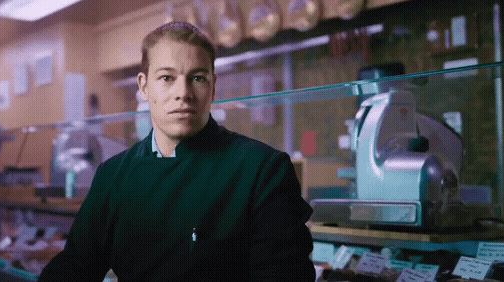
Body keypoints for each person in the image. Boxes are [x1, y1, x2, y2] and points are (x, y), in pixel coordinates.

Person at [39, 21, 315, 281]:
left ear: (213, 87)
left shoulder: (262, 170)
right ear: (143, 86)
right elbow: (75, 267)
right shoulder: (112, 176)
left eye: (197, 78)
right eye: (167, 78)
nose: (183, 92)